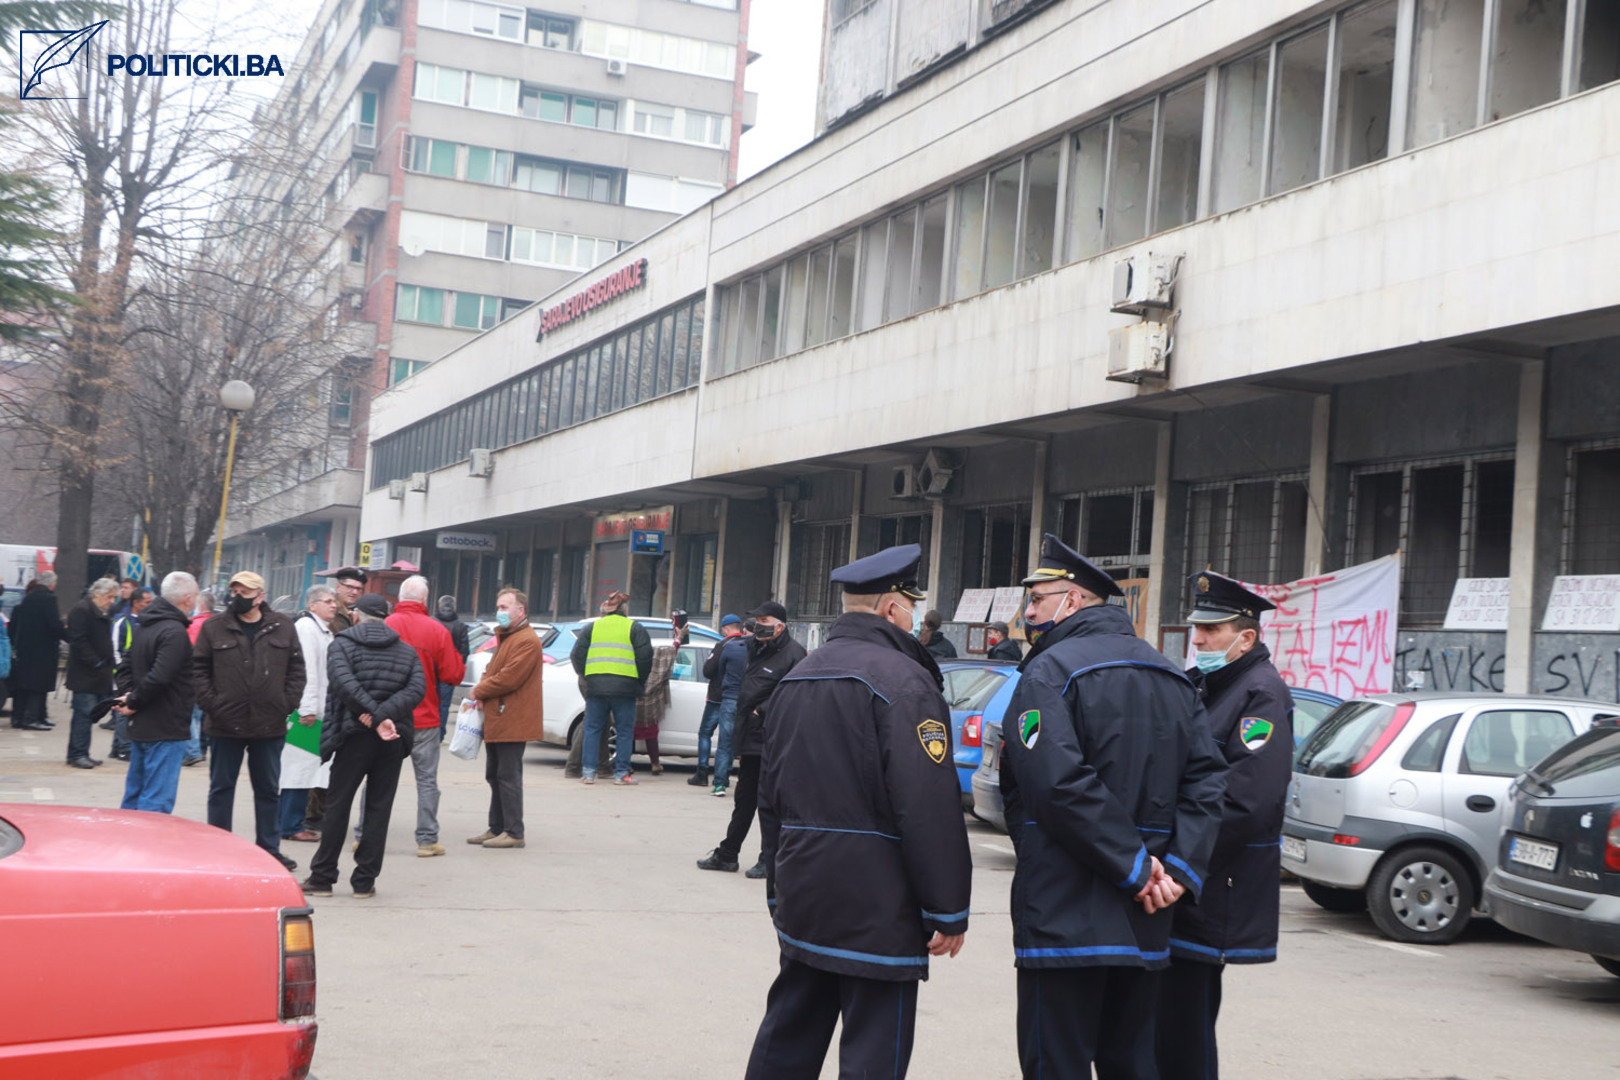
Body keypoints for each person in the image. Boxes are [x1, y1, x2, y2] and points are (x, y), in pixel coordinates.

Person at [999, 534, 1227, 1079]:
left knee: (1057, 1062)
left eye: (1037, 599)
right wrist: (1174, 871)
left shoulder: (1049, 671)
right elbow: (1208, 781)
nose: (1028, 612)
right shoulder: (1171, 674)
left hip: (1065, 912)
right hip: (1148, 913)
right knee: (1131, 1061)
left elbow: (1054, 783)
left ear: (1073, 601)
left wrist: (1134, 867)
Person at [745, 545, 972, 1080]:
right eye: (911, 605)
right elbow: (927, 804)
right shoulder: (906, 681)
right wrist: (948, 909)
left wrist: (777, 881)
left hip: (805, 889)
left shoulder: (800, 674)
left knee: (789, 1033)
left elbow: (769, 794)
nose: (914, 616)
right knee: (875, 1046)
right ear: (894, 607)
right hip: (879, 901)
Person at [1156, 571, 1293, 1080]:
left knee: (1185, 1035)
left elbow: (1245, 801)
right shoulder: (1207, 685)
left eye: (1212, 630)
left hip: (1210, 887)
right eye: (1198, 628)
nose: (1198, 639)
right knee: (1164, 1029)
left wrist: (1179, 865)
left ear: (1246, 637)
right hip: (1186, 887)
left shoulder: (1261, 695)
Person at [302, 593, 425, 898]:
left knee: (337, 805)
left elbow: (345, 686)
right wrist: (384, 717)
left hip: (351, 735)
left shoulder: (341, 645)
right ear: (387, 618)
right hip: (392, 737)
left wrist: (373, 716)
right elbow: (416, 689)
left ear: (356, 615)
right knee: (379, 808)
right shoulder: (406, 651)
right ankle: (364, 881)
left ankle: (323, 876)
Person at [194, 571, 306, 873]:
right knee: (221, 789)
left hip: (268, 724)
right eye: (235, 591)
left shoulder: (282, 626)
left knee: (268, 790)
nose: (238, 597)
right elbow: (198, 669)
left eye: (245, 592)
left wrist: (286, 703)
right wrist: (213, 705)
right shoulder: (214, 627)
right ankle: (219, 850)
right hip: (224, 724)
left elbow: (297, 668)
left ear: (260, 595)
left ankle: (269, 850)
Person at [697, 600, 806, 876]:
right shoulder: (752, 648)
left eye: (765, 621)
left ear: (780, 626)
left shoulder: (794, 654)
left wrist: (763, 710)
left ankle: (769, 860)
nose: (759, 626)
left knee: (769, 803)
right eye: (757, 621)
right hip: (749, 737)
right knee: (744, 799)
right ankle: (728, 854)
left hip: (774, 739)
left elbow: (795, 694)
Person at [384, 575, 466, 856]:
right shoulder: (436, 630)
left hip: (388, 718)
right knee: (427, 781)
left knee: (378, 778)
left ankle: (364, 835)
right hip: (425, 717)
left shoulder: (385, 626)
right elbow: (453, 674)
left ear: (400, 599)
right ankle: (427, 839)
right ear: (425, 600)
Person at [113, 572, 200, 813]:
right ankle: (144, 848)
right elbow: (160, 676)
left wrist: (129, 696)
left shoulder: (145, 624)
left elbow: (125, 666)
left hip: (143, 723)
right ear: (186, 598)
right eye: (194, 596)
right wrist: (132, 699)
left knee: (135, 794)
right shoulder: (174, 632)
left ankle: (126, 846)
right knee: (155, 802)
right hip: (165, 726)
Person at [466, 588, 543, 846]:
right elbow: (493, 671)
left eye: (504, 607)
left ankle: (514, 832)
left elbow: (509, 678)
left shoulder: (526, 640)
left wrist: (479, 690)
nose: (499, 612)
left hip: (512, 718)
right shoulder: (508, 637)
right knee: (495, 775)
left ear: (520, 610)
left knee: (508, 777)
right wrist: (484, 687)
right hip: (499, 716)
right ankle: (496, 827)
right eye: (498, 607)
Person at [571, 591, 652, 785]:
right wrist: (638, 681)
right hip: (625, 688)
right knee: (624, 731)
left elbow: (577, 655)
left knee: (592, 729)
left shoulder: (592, 627)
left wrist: (587, 675)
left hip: (596, 687)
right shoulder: (634, 627)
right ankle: (622, 774)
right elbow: (645, 658)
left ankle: (589, 773)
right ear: (625, 610)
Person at [280, 584, 338, 845]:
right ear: (312, 605)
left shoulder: (321, 629)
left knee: (306, 769)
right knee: (298, 770)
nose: (333, 605)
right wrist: (308, 708)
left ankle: (291, 822)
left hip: (317, 711)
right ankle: (290, 825)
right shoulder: (306, 628)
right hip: (307, 714)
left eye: (333, 601)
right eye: (327, 601)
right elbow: (307, 671)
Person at [63, 577, 118, 768]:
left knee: (90, 715)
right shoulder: (82, 610)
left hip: (98, 673)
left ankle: (81, 752)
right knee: (83, 715)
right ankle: (77, 754)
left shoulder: (100, 611)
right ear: (97, 595)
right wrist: (95, 661)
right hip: (85, 674)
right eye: (110, 597)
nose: (112, 601)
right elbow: (78, 640)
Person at [691, 613, 747, 789]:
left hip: (717, 697)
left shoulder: (723, 645)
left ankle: (702, 772)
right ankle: (725, 772)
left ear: (725, 628)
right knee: (728, 737)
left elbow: (708, 670)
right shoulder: (747, 645)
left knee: (705, 733)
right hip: (739, 697)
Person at [8, 572, 64, 731]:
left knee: (25, 685)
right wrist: (68, 636)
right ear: (52, 584)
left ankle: (21, 717)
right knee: (38, 686)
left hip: (26, 649)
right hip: (43, 650)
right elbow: (54, 625)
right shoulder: (49, 599)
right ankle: (32, 718)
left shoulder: (28, 599)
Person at [107, 586, 152, 759]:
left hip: (136, 675)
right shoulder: (122, 622)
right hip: (122, 675)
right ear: (136, 603)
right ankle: (124, 749)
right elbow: (115, 649)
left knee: (128, 709)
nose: (149, 605)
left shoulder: (145, 621)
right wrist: (122, 673)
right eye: (146, 602)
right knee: (122, 711)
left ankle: (117, 747)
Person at [633, 642, 678, 775]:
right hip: (651, 705)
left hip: (632, 700)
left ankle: (624, 765)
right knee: (651, 733)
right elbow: (671, 652)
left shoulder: (632, 658)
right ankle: (655, 763)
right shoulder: (658, 664)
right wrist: (679, 639)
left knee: (626, 733)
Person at [183, 590, 216, 766]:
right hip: (214, 678)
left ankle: (192, 751)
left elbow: (190, 653)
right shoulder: (218, 624)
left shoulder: (194, 625)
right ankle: (202, 749)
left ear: (201, 606)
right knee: (203, 716)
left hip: (195, 677)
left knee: (190, 715)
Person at [434, 594, 471, 738]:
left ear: (439, 606)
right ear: (454, 607)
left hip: (430, 671)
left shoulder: (432, 622)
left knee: (429, 702)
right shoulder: (460, 626)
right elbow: (464, 651)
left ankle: (427, 731)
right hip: (448, 673)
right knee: (444, 705)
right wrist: (458, 668)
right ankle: (440, 733)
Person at [329, 566, 367, 633]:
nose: (354, 592)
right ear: (338, 587)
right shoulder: (330, 608)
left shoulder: (353, 611)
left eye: (358, 589)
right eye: (349, 587)